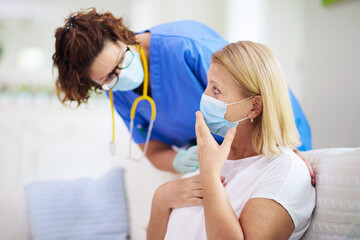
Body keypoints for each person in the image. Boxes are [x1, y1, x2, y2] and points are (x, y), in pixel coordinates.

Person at [52, 8, 312, 174]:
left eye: (121, 61)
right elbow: (152, 151)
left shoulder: (187, 46)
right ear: (93, 83)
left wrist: (282, 145)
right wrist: (177, 161)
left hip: (273, 133)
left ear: (123, 35)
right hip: (222, 164)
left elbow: (259, 91)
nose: (119, 76)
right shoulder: (118, 92)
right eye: (107, 77)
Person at [147, 41, 316, 239]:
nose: (205, 97)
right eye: (207, 86)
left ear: (255, 106)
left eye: (216, 90)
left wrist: (210, 177)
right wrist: (160, 199)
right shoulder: (211, 160)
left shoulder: (285, 171)